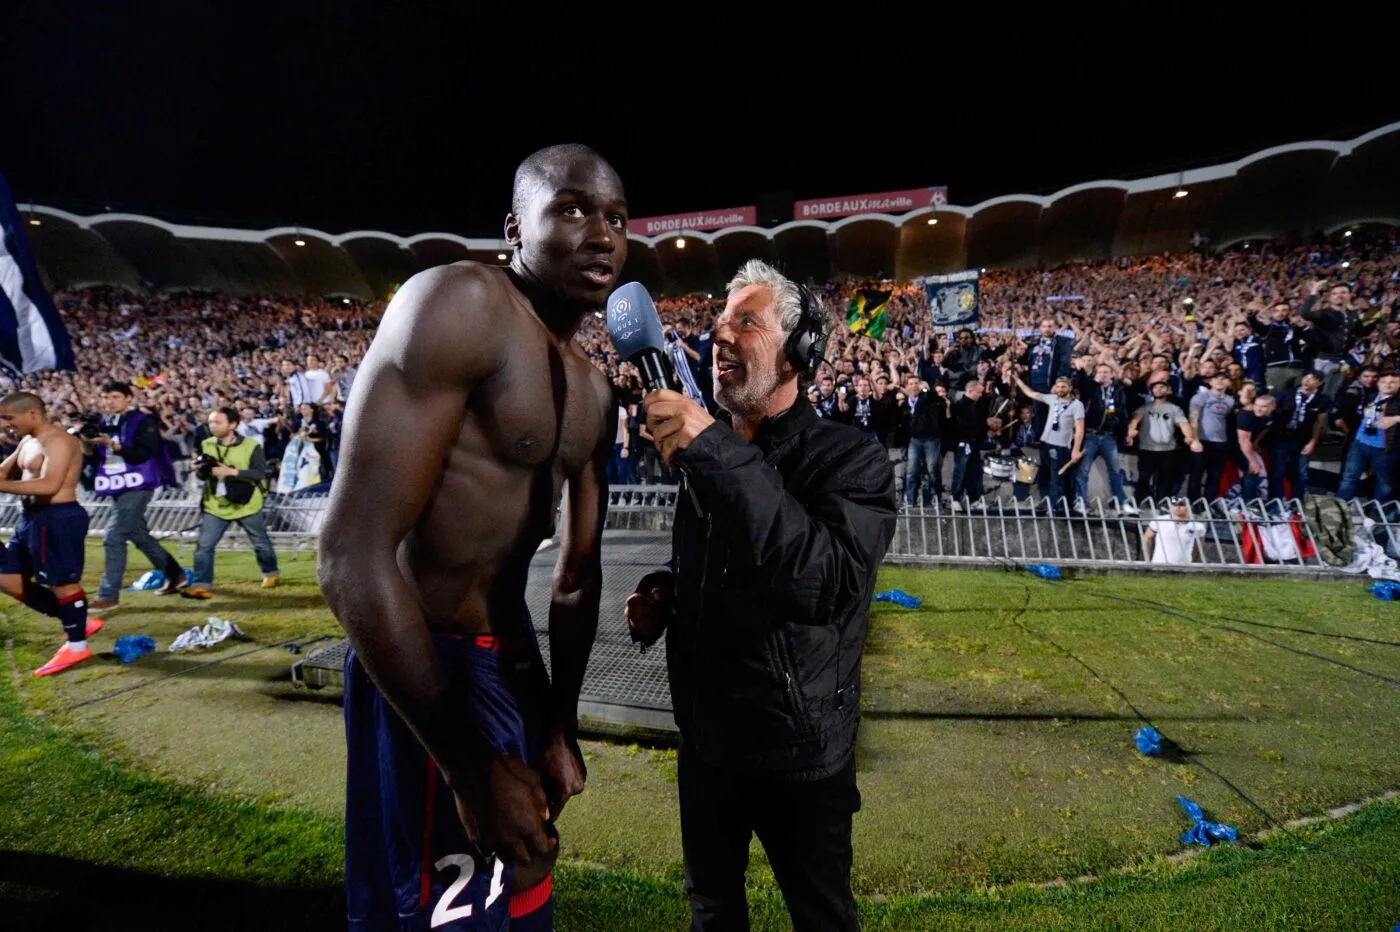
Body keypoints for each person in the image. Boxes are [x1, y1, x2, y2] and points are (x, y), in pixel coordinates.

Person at [318, 143, 626, 930]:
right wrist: (465, 763)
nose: (602, 234)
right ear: (514, 229)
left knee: (516, 902)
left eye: (617, 218)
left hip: (513, 670)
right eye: (572, 209)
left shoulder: (596, 391)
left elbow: (575, 579)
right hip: (426, 666)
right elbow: (350, 554)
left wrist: (559, 723)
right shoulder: (460, 303)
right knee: (434, 915)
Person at [626, 259, 896, 931]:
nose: (720, 335)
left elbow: (822, 583)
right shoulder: (713, 455)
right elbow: (722, 563)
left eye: (745, 322)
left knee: (822, 918)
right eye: (719, 322)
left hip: (799, 755)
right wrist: (665, 590)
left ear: (798, 350)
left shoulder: (850, 459)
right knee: (713, 911)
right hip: (707, 745)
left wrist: (715, 451)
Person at [0, 393, 99, 676]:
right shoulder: (27, 442)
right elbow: (3, 473)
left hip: (57, 517)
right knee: (6, 578)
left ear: (32, 413)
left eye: (9, 418)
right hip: (30, 519)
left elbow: (49, 485)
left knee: (62, 583)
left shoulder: (60, 441)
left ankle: (77, 646)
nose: (5, 424)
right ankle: (78, 620)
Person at [89, 381, 185, 609]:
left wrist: (114, 445)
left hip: (139, 483)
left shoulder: (143, 420)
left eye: (115, 397)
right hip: (117, 482)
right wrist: (87, 444)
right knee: (138, 534)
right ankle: (175, 574)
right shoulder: (105, 422)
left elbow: (145, 453)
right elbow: (98, 457)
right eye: (106, 397)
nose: (109, 401)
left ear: (128, 398)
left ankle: (108, 594)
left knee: (113, 536)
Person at [181, 407, 279, 599]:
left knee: (260, 543)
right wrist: (201, 470)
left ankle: (270, 573)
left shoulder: (251, 446)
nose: (213, 426)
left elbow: (260, 473)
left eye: (218, 422)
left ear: (233, 424)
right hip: (215, 504)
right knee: (204, 546)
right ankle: (201, 585)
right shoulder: (206, 444)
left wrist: (232, 472)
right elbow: (202, 475)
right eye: (211, 422)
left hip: (246, 504)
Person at [1005, 367, 1084, 511]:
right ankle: (1045, 501)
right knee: (1045, 475)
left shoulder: (1077, 405)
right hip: (1045, 443)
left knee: (1057, 477)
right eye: (1058, 386)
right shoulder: (1053, 399)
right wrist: (1017, 380)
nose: (1060, 389)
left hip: (1061, 446)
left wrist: (1076, 449)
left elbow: (1079, 429)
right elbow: (1031, 393)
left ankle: (1055, 506)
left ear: (1070, 388)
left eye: (1063, 386)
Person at [1072, 362, 1137, 515]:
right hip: (1090, 435)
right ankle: (1080, 501)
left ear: (1112, 375)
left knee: (1115, 471)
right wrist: (1081, 370)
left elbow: (1123, 414)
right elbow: (1081, 382)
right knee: (1083, 470)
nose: (1102, 374)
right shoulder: (1091, 388)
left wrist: (1125, 435)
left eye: (1106, 372)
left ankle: (1122, 502)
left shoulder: (1118, 391)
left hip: (1108, 436)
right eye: (1099, 372)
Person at [1127, 381, 1201, 503]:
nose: (1158, 389)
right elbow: (1134, 421)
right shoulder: (1145, 408)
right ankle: (1137, 504)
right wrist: (1131, 432)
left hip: (1167, 450)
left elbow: (1184, 424)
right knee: (1143, 479)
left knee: (1164, 481)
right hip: (1147, 449)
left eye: (1162, 387)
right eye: (1155, 387)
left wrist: (1189, 437)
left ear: (1168, 390)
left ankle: (1160, 505)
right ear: (1151, 391)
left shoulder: (1175, 409)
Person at [1337, 370, 1400, 502]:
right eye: (1384, 382)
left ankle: (1376, 511)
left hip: (1384, 449)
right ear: (1378, 384)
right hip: (1360, 443)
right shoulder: (1372, 396)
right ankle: (1341, 507)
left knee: (1384, 483)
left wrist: (1395, 419)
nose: (1388, 385)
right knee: (1349, 477)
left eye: (1393, 382)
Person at [1271, 371, 1330, 499]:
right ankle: (1276, 501)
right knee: (1278, 472)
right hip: (1281, 437)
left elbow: (1319, 423)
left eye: (1312, 379)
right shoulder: (1286, 393)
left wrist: (1313, 441)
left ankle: (1296, 501)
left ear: (1319, 383)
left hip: (1302, 440)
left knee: (1300, 472)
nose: (1307, 381)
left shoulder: (1322, 399)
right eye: (1306, 377)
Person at [1188, 373, 1236, 501]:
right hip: (1202, 440)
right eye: (1216, 378)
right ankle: (1193, 503)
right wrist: (1195, 439)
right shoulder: (1200, 397)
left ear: (1228, 382)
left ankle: (1208, 503)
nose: (1220, 381)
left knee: (1215, 475)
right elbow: (1193, 418)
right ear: (1210, 382)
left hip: (1221, 441)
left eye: (1223, 379)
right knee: (1197, 474)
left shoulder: (1230, 400)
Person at [1142, 497, 1207, 565]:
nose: (1178, 507)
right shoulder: (1159, 521)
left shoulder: (1198, 526)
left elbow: (1199, 547)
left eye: (1181, 505)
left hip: (1184, 565)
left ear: (1189, 507)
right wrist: (1147, 560)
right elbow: (1147, 539)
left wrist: (1192, 562)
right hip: (1159, 563)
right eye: (1174, 505)